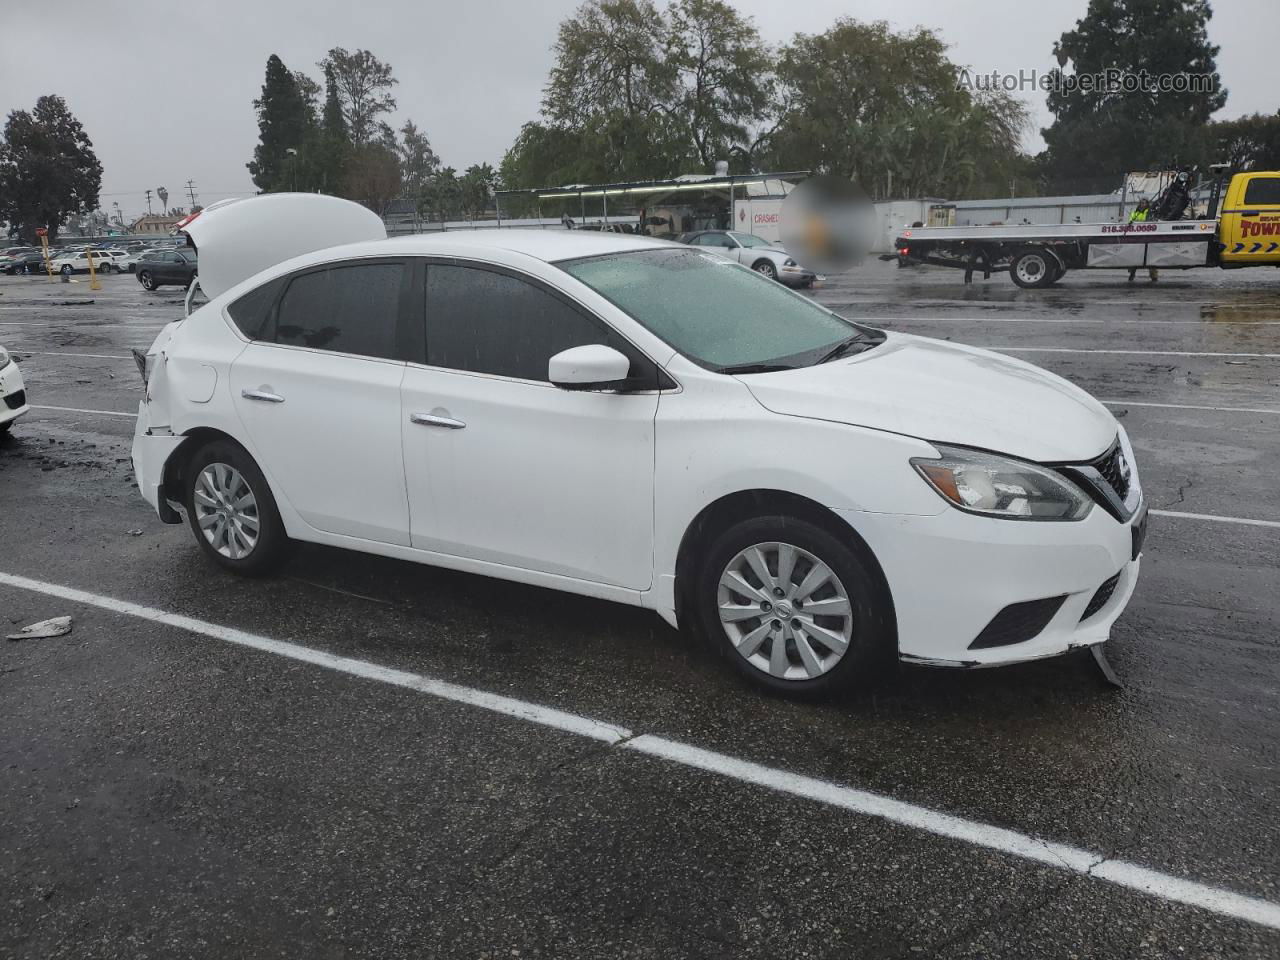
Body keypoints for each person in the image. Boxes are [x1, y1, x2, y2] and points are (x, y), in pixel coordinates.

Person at [1127, 200, 1158, 282]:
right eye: (1141, 203)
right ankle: (1132, 274)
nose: (1142, 204)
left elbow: (1151, 220)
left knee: (1151, 258)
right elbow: (1131, 219)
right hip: (1138, 237)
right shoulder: (1135, 212)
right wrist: (1130, 222)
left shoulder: (1150, 211)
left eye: (1144, 203)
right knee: (1135, 257)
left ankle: (1154, 276)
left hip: (1148, 236)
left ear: (1147, 204)